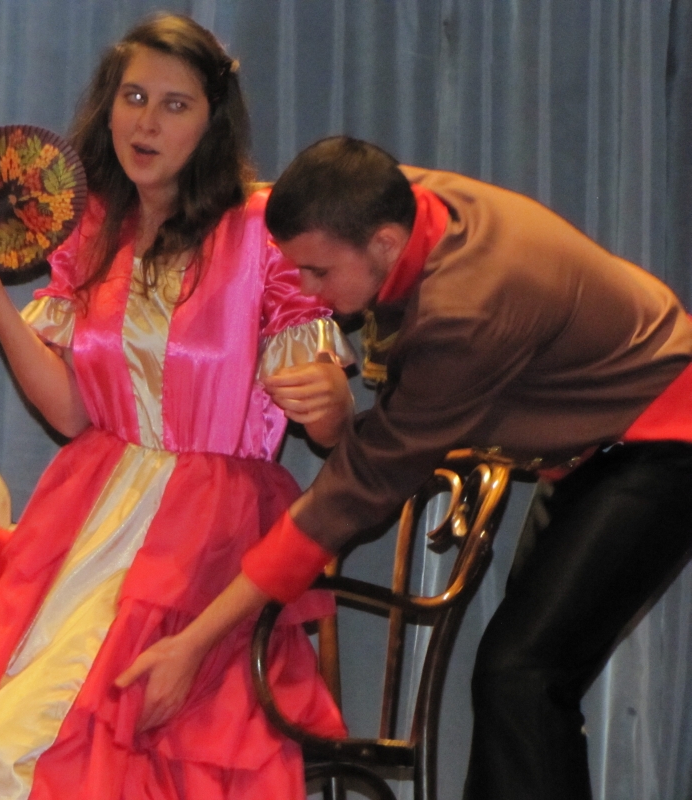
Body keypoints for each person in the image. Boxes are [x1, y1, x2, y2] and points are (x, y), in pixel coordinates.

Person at [0, 15, 351, 800]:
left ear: (212, 122)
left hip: (209, 530)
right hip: (90, 515)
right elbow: (71, 416)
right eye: (134, 97)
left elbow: (326, 424)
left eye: (175, 105)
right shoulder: (92, 231)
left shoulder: (260, 229)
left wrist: (332, 401)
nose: (146, 122)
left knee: (56, 748)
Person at [120, 134, 692, 800]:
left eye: (317, 272)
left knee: (521, 675)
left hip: (663, 442)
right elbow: (270, 205)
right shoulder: (393, 201)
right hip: (596, 444)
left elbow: (355, 490)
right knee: (519, 680)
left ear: (385, 244)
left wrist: (194, 642)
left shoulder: (466, 312)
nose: (305, 290)